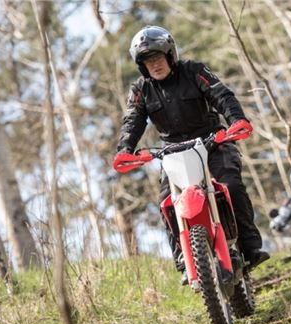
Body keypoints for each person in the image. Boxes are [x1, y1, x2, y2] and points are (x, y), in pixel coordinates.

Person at [115, 26, 269, 283]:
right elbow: (132, 120)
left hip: (213, 142)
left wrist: (236, 120)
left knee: (231, 185)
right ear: (142, 66)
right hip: (173, 153)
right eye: (148, 61)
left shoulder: (194, 70)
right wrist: (125, 150)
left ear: (170, 55)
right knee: (166, 202)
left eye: (158, 57)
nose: (154, 64)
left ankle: (250, 247)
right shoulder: (141, 89)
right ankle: (185, 261)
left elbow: (222, 95)